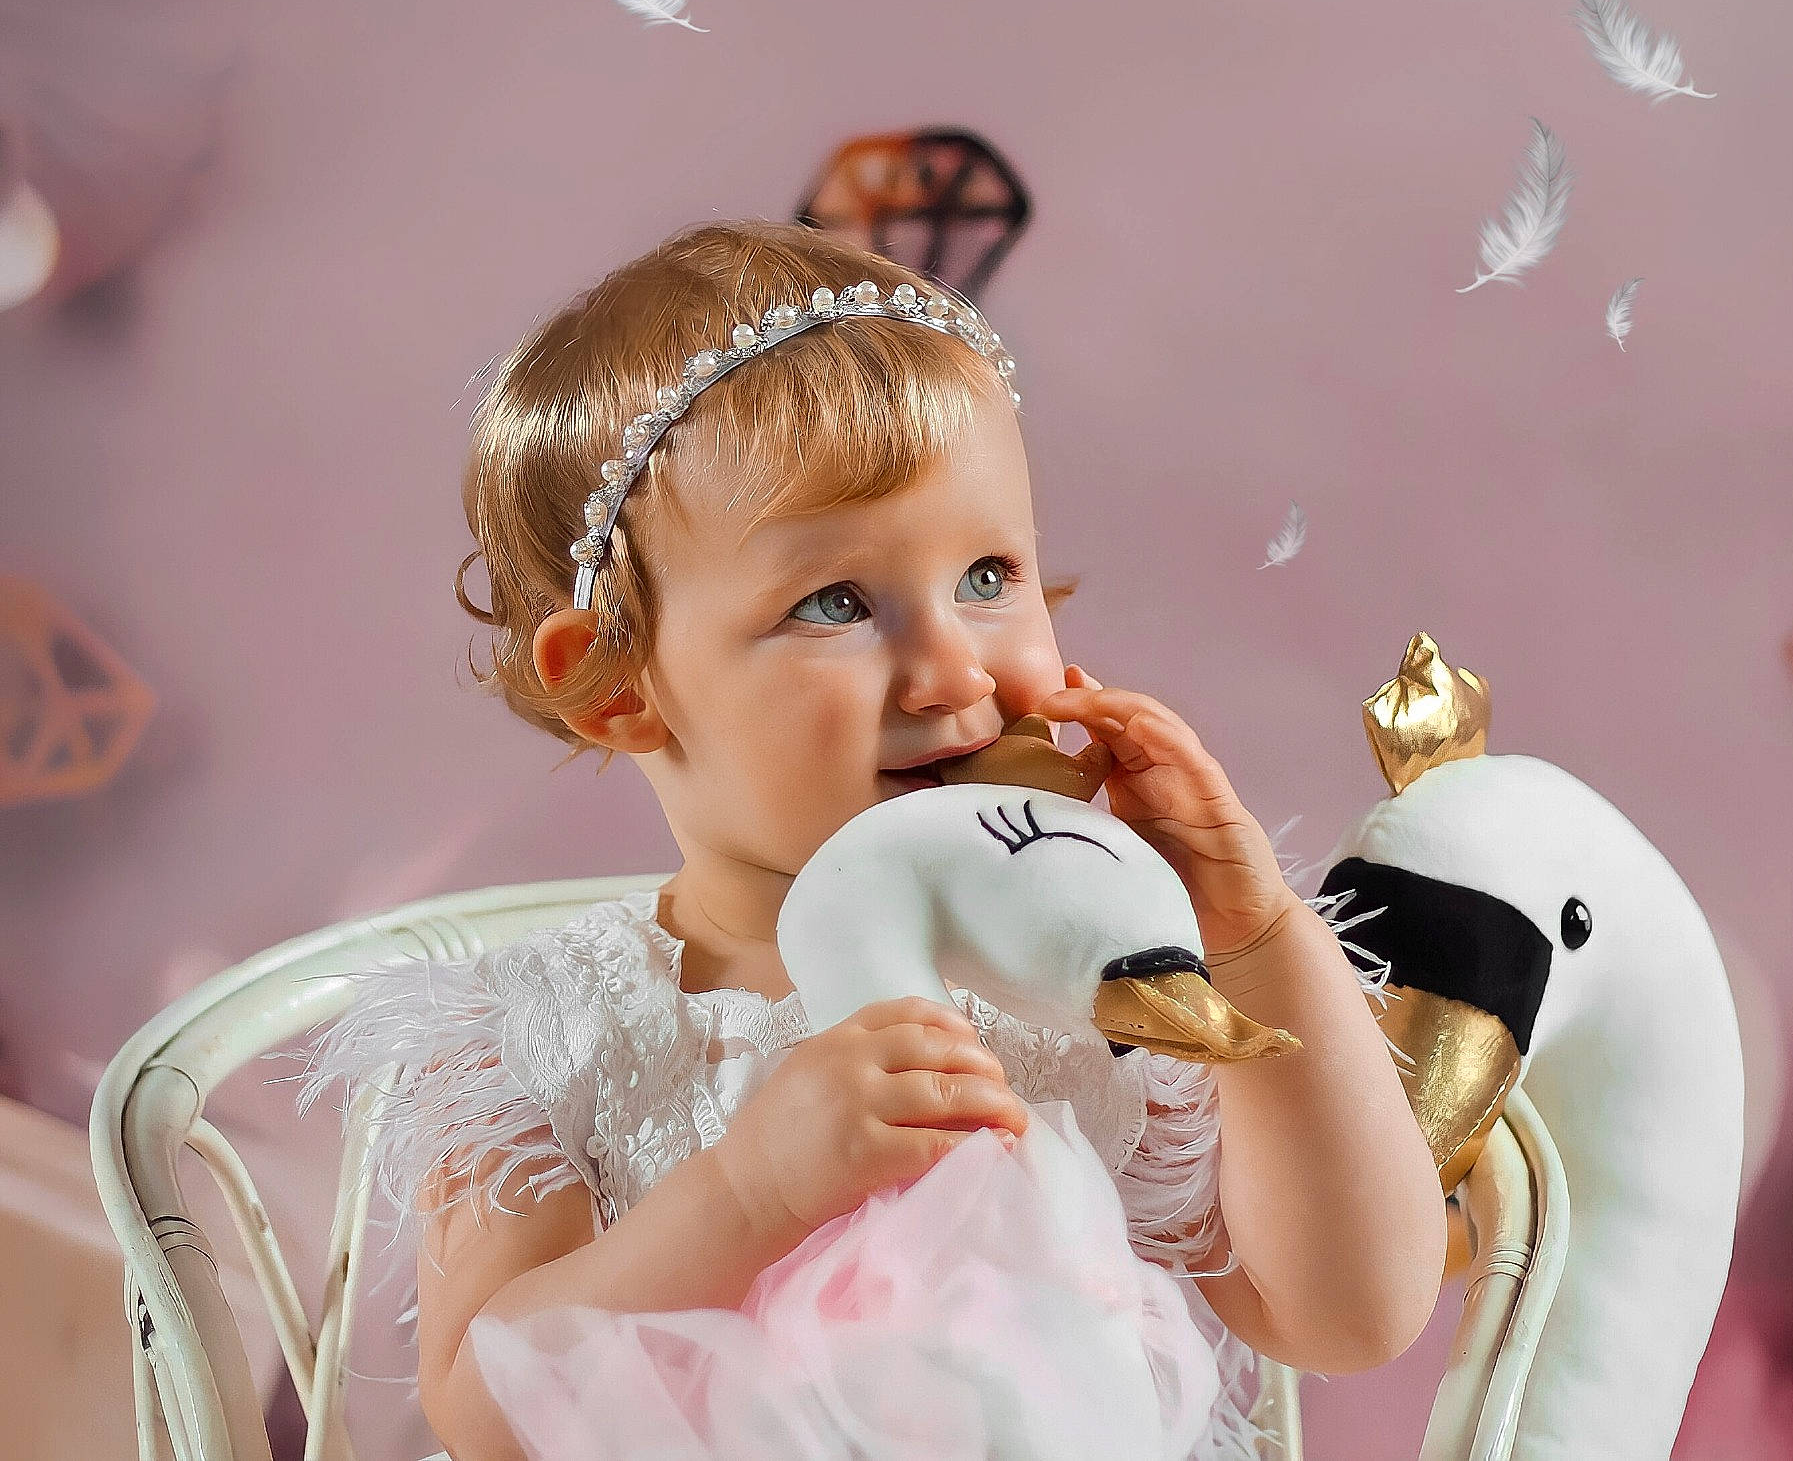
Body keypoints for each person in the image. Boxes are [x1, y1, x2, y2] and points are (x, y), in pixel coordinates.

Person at [298, 219, 1444, 1461]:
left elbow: (1348, 1310)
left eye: (989, 575)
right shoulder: (542, 1028)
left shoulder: (1083, 990)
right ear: (619, 684)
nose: (952, 666)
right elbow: (486, 1411)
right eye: (834, 603)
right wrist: (746, 1194)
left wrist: (1255, 933)